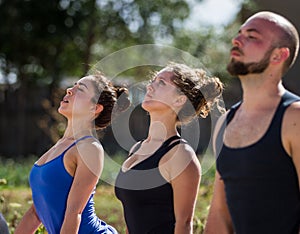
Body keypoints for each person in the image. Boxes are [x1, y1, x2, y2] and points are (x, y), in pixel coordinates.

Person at [204, 11, 300, 234]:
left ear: (278, 56)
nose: (236, 40)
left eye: (252, 36)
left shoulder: (294, 118)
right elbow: (219, 212)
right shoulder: (226, 122)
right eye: (239, 34)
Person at [115, 62, 225, 234]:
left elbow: (184, 224)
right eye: (153, 80)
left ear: (179, 100)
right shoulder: (137, 148)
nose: (150, 86)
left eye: (161, 83)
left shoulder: (181, 155)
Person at [15, 72, 130, 234]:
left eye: (80, 89)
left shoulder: (89, 148)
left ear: (95, 107)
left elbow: (74, 212)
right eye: (73, 86)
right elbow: (36, 213)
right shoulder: (59, 146)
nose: (69, 90)